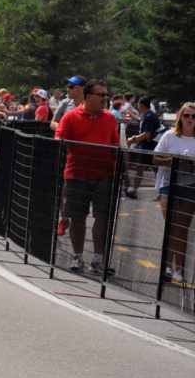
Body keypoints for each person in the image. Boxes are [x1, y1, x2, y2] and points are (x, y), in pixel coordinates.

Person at [55, 80, 119, 275]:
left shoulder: (109, 118)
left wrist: (120, 168)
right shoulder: (71, 116)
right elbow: (59, 138)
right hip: (77, 174)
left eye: (106, 95)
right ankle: (78, 257)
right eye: (101, 95)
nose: (105, 99)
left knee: (102, 216)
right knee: (77, 217)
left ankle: (98, 259)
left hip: (104, 175)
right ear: (88, 96)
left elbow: (115, 144)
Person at [152, 101, 195, 284]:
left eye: (194, 116)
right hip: (168, 183)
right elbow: (155, 158)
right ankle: (167, 266)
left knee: (181, 229)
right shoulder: (170, 136)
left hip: (190, 184)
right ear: (180, 117)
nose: (190, 119)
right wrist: (172, 161)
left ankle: (179, 270)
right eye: (186, 115)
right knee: (171, 225)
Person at [124, 96, 161, 198]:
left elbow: (147, 134)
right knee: (149, 169)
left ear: (141, 105)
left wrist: (132, 139)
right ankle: (135, 191)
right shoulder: (149, 115)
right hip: (149, 146)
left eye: (138, 105)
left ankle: (162, 192)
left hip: (149, 147)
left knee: (154, 169)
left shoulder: (149, 117)